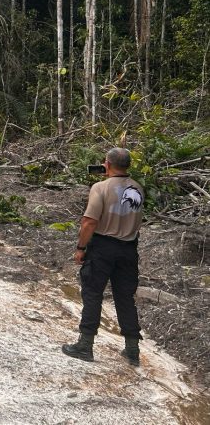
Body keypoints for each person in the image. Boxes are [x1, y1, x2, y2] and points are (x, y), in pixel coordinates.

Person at [62, 147, 144, 366]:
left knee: (93, 293)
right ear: (128, 165)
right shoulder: (138, 188)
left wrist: (81, 247)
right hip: (128, 249)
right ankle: (132, 350)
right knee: (125, 298)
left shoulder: (100, 187)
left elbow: (89, 221)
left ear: (106, 164)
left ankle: (85, 345)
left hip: (103, 248)